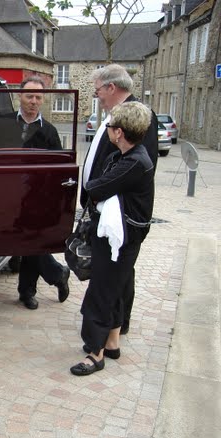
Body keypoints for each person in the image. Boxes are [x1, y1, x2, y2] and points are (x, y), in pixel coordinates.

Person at [71, 101, 155, 376]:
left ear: (119, 132)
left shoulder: (133, 162)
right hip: (119, 236)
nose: (107, 130)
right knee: (115, 288)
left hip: (121, 239)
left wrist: (98, 189)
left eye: (110, 126)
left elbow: (95, 188)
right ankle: (113, 342)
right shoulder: (124, 157)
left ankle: (95, 353)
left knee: (101, 291)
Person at [82, 64, 158, 334]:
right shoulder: (113, 114)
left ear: (111, 87)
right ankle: (113, 327)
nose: (97, 95)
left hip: (121, 217)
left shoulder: (137, 115)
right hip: (105, 208)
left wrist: (98, 190)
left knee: (119, 273)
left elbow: (136, 170)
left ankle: (117, 324)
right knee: (115, 273)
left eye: (98, 90)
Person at [8, 76, 70, 310]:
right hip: (9, 197)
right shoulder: (5, 125)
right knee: (26, 243)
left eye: (38, 97)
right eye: (29, 96)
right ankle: (57, 274)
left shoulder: (50, 132)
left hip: (37, 199)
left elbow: (57, 171)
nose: (33, 101)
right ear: (19, 96)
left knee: (30, 243)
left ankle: (27, 292)